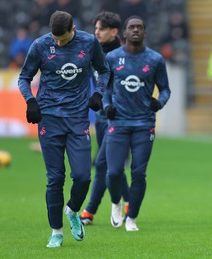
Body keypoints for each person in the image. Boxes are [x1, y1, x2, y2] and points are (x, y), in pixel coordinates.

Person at [18, 10, 110, 248]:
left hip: (78, 117)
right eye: (55, 38)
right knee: (55, 178)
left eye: (63, 39)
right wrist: (31, 101)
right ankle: (56, 232)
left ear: (73, 29)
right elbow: (24, 77)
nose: (58, 43)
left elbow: (105, 70)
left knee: (82, 176)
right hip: (48, 118)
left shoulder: (89, 42)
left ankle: (72, 210)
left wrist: (98, 93)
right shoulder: (40, 45)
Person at [103, 15, 171, 231]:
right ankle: (116, 202)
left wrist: (159, 102)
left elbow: (166, 89)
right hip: (118, 122)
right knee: (113, 172)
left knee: (138, 173)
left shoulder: (155, 59)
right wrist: (106, 106)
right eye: (131, 27)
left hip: (144, 123)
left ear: (144, 32)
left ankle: (131, 218)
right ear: (124, 33)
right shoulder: (113, 58)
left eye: (139, 27)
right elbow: (104, 86)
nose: (135, 30)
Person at [79, 11, 130, 226]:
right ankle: (130, 201)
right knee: (112, 165)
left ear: (114, 32)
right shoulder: (94, 51)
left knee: (102, 164)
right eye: (96, 28)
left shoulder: (125, 55)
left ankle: (90, 210)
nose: (96, 32)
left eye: (101, 29)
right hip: (101, 117)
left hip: (118, 118)